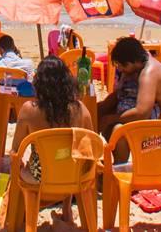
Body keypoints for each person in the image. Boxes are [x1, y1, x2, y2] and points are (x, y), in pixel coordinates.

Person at [11, 57, 97, 200]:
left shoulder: (28, 110)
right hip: (74, 174)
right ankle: (67, 208)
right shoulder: (80, 109)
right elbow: (92, 145)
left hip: (41, 175)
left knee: (23, 165)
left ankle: (23, 209)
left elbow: (15, 151)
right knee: (67, 156)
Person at [97, 37, 161, 143]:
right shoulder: (139, 63)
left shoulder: (149, 74)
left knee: (118, 130)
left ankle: (119, 159)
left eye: (123, 66)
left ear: (134, 62)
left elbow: (142, 113)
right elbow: (120, 93)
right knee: (100, 110)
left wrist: (111, 119)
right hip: (155, 116)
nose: (119, 69)